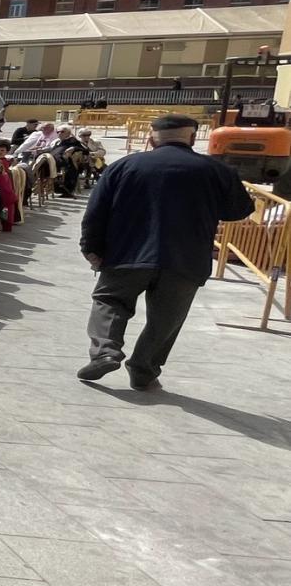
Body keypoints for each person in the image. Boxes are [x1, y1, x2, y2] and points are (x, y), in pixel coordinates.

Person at [78, 114, 252, 390]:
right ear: (193, 139)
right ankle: (143, 370)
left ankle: (105, 352)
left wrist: (91, 249)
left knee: (110, 301)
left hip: (126, 254)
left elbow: (95, 212)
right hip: (186, 258)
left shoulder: (125, 166)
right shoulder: (216, 170)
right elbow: (239, 210)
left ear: (150, 139)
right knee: (167, 319)